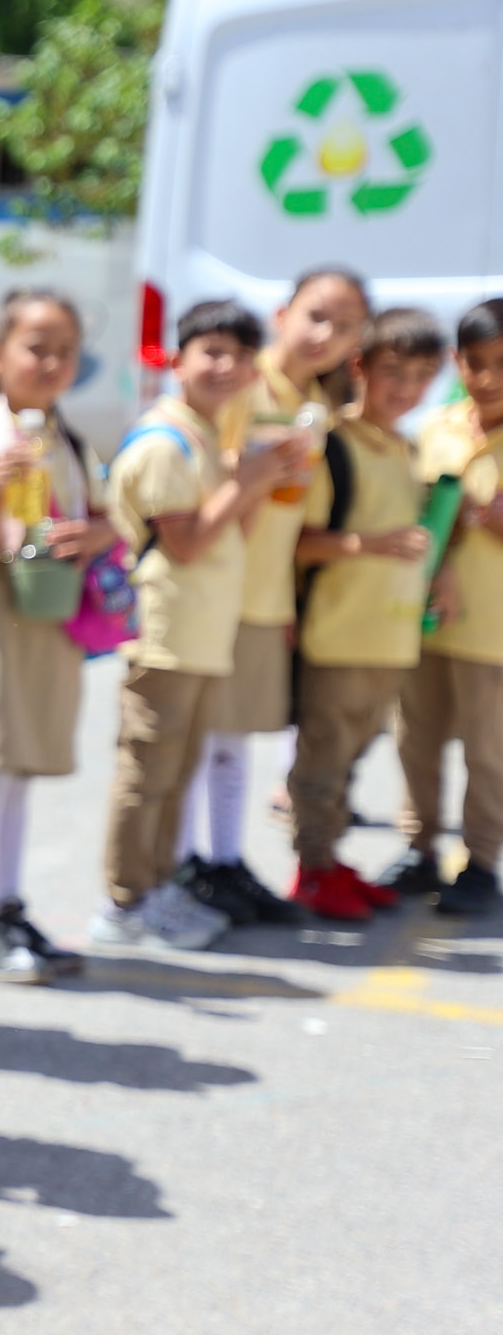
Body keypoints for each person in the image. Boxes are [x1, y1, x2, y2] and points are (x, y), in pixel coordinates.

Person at [89, 299, 303, 951]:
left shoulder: (207, 435)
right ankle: (124, 901)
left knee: (175, 774)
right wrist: (249, 483)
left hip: (199, 635)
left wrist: (256, 483)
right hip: (165, 634)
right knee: (148, 772)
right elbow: (185, 544)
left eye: (240, 355)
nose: (226, 366)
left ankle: (156, 888)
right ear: (174, 359)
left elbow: (229, 533)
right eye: (210, 351)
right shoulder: (165, 442)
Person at [177, 267, 372, 925]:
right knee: (189, 740)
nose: (325, 334)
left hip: (265, 598)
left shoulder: (316, 402)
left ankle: (224, 863)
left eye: (344, 326)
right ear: (281, 310)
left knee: (233, 741)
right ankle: (178, 869)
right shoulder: (241, 383)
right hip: (212, 588)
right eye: (315, 315)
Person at [0, 290, 104, 985]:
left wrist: (94, 533)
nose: (48, 362)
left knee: (18, 771)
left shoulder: (63, 438)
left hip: (47, 618)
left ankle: (5, 904)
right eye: (34, 346)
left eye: (63, 350)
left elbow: (99, 515)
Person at [285, 307, 447, 920]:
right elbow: (302, 540)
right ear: (360, 369)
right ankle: (313, 869)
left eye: (421, 376)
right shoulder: (333, 445)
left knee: (351, 761)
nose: (406, 389)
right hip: (338, 636)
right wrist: (370, 545)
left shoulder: (407, 448)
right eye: (394, 372)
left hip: (391, 639)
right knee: (322, 763)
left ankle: (330, 861)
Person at [393, 296, 503, 917]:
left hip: (492, 628)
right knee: (417, 738)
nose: (487, 378)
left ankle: (483, 860)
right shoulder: (437, 428)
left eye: (502, 363)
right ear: (456, 362)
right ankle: (418, 846)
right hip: (424, 621)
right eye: (475, 362)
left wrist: (488, 520)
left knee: (489, 751)